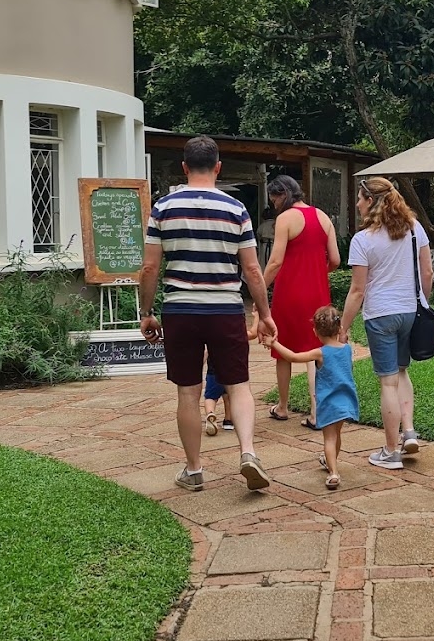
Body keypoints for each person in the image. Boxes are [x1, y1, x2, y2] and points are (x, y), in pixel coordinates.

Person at [140, 135, 277, 492]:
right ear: (218, 167)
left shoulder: (163, 208)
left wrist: (146, 312)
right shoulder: (236, 209)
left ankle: (194, 469)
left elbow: (150, 268)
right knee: (239, 385)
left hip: (180, 310)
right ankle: (248, 452)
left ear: (184, 167)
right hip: (225, 309)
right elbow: (252, 270)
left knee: (188, 392)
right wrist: (265, 313)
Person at [340, 177, 433, 470]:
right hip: (410, 311)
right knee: (402, 372)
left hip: (380, 314)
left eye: (360, 198)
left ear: (371, 201)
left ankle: (391, 452)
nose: (357, 203)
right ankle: (409, 432)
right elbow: (427, 272)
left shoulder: (362, 240)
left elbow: (357, 290)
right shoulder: (414, 229)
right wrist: (423, 303)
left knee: (388, 382)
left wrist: (344, 326)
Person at [263, 175, 340, 428]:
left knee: (282, 348)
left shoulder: (285, 219)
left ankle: (282, 406)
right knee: (315, 350)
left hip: (289, 292)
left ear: (282, 194)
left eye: (274, 199)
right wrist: (316, 271)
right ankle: (317, 412)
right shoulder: (323, 217)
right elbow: (336, 260)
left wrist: (259, 287)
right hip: (318, 293)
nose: (273, 204)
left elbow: (275, 262)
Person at [267, 306, 359, 490]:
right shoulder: (347, 349)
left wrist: (274, 344)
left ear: (315, 331)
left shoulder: (320, 353)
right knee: (337, 435)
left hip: (329, 403)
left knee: (329, 438)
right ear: (340, 328)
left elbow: (293, 357)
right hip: (346, 400)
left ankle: (334, 472)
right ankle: (330, 462)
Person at [204, 310, 259, 435]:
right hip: (231, 371)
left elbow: (206, 352)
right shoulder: (236, 334)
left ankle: (210, 413)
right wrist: (257, 317)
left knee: (210, 397)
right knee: (229, 396)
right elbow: (253, 333)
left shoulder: (211, 334)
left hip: (213, 372)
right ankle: (228, 420)